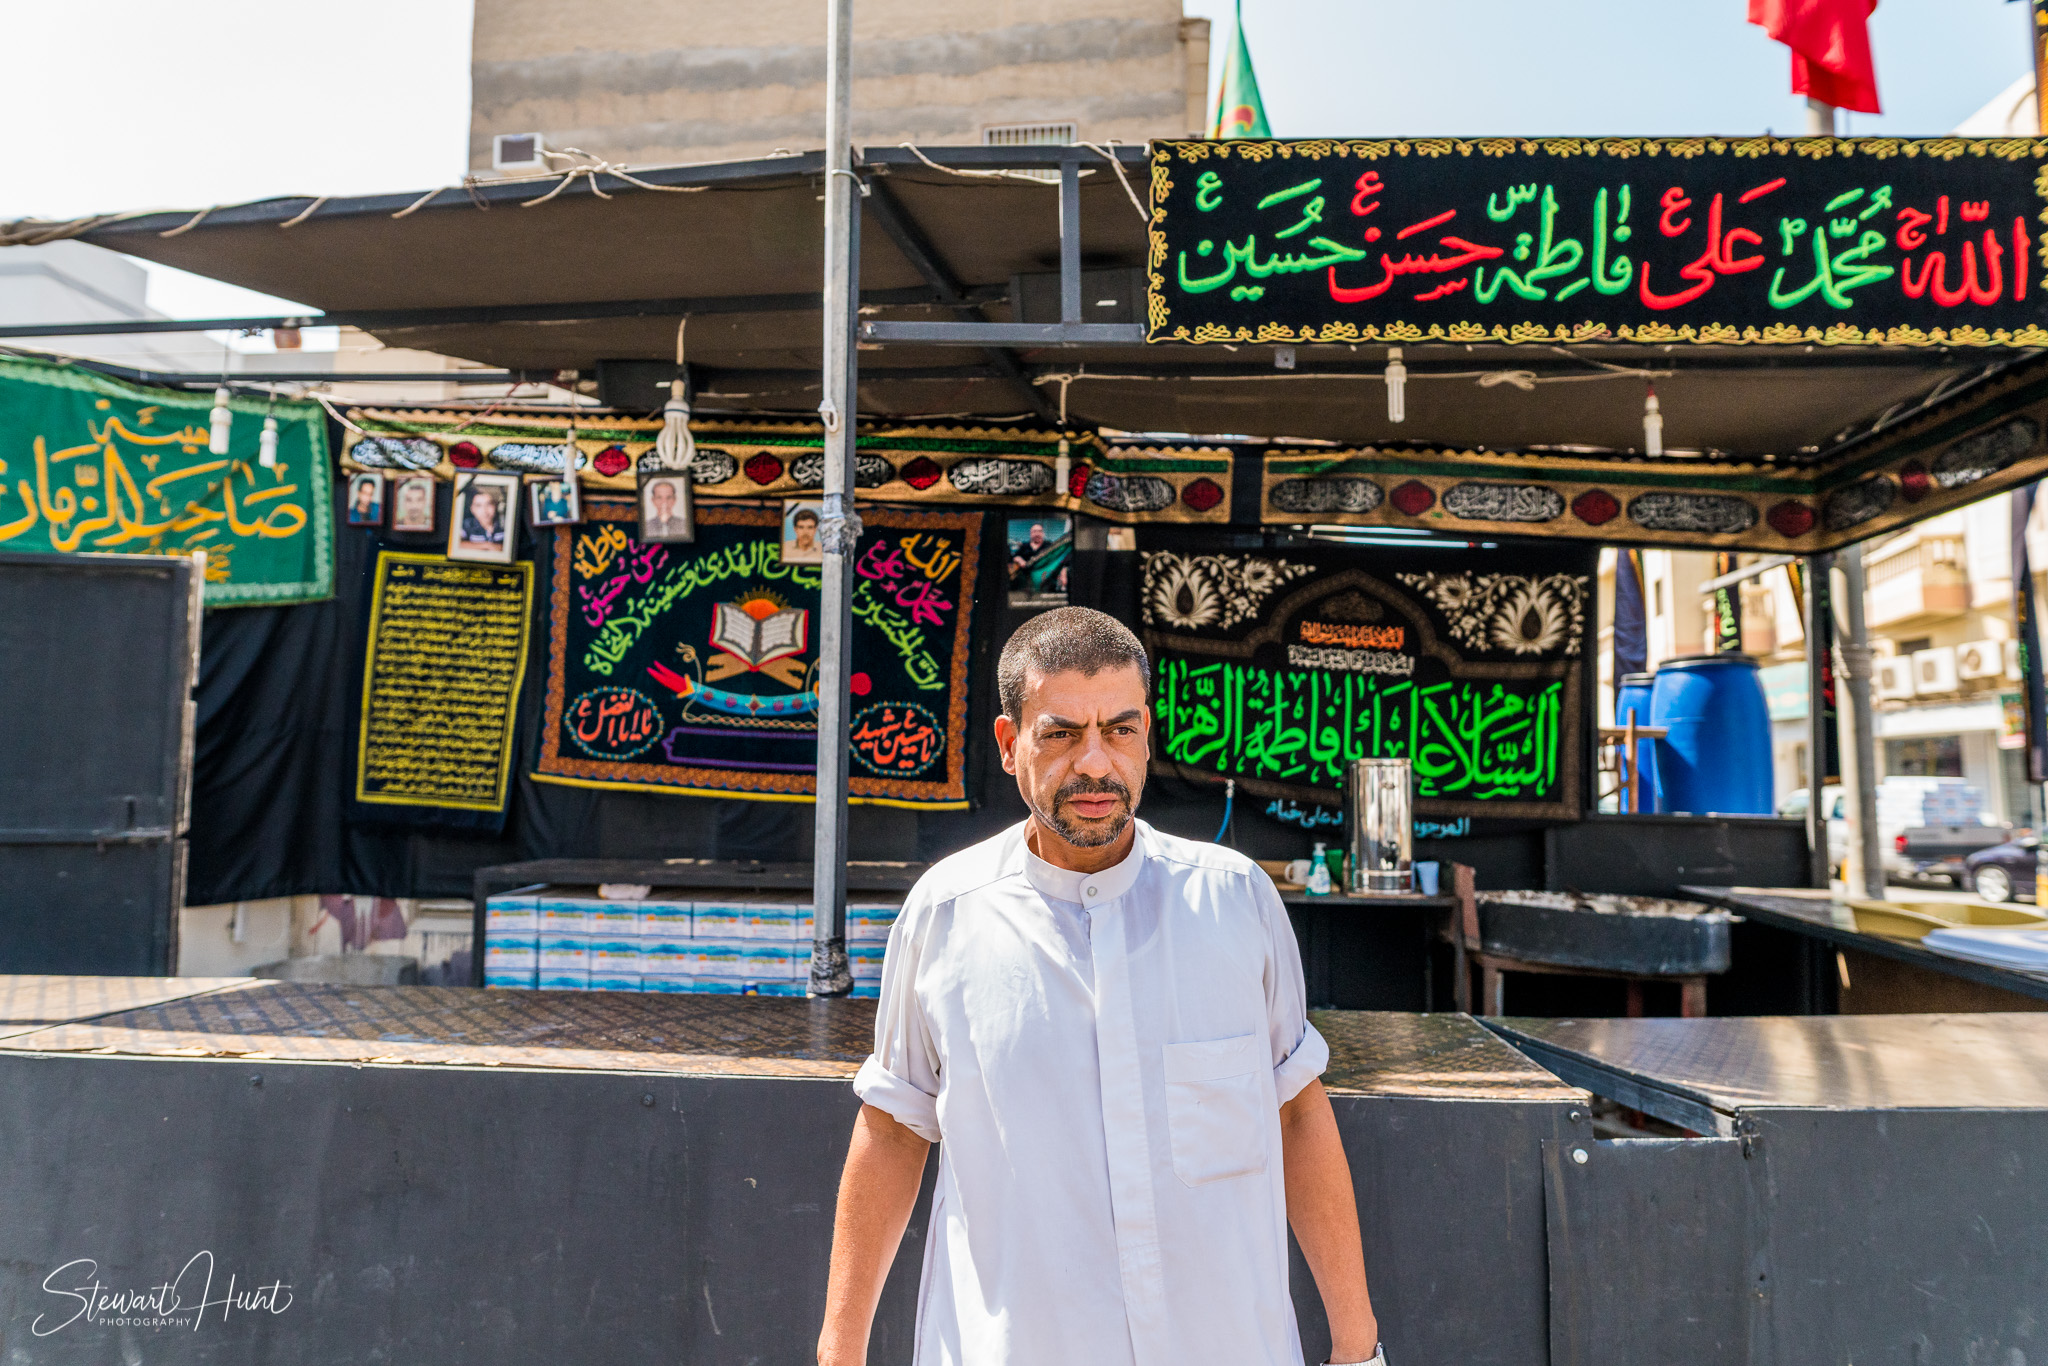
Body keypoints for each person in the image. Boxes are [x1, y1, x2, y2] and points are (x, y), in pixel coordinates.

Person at [820, 607, 1383, 1366]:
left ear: (1147, 734)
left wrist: (1358, 1349)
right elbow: (891, 1131)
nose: (1094, 764)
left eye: (1119, 730)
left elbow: (1296, 1119)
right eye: (1060, 734)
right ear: (1009, 743)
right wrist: (839, 1353)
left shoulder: (1232, 901)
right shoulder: (948, 914)